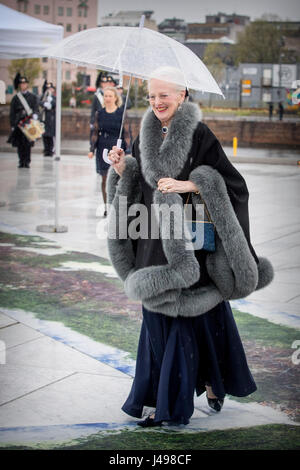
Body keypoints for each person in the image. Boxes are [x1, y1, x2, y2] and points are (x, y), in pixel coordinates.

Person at [106, 66, 274, 427]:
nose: (156, 102)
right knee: (158, 314)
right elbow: (141, 189)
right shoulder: (144, 133)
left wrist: (190, 185)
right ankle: (165, 393)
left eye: (163, 95)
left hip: (190, 244)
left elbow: (232, 184)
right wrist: (123, 169)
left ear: (181, 95)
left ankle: (171, 403)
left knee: (189, 316)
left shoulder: (200, 134)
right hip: (153, 241)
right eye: (151, 96)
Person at [88, 86, 126, 217]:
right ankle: (107, 206)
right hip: (103, 147)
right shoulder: (100, 113)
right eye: (106, 96)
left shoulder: (121, 113)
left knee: (117, 177)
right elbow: (95, 132)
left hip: (116, 146)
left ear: (116, 98)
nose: (108, 98)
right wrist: (91, 149)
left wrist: (129, 150)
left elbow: (127, 133)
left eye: (110, 96)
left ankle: (117, 205)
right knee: (104, 178)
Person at [8, 73, 39, 169]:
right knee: (19, 144)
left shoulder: (33, 97)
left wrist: (35, 115)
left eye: (24, 84)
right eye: (21, 84)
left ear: (27, 85)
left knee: (27, 143)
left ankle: (27, 161)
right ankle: (21, 161)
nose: (23, 85)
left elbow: (36, 108)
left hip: (28, 123)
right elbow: (12, 112)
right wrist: (13, 124)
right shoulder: (16, 98)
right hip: (19, 123)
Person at [40, 81, 56, 157]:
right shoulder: (43, 97)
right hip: (44, 119)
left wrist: (51, 102)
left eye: (50, 88)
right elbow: (38, 102)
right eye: (48, 88)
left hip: (51, 120)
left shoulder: (54, 97)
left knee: (51, 136)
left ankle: (51, 150)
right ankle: (46, 150)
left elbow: (55, 104)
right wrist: (44, 103)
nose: (49, 90)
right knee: (44, 135)